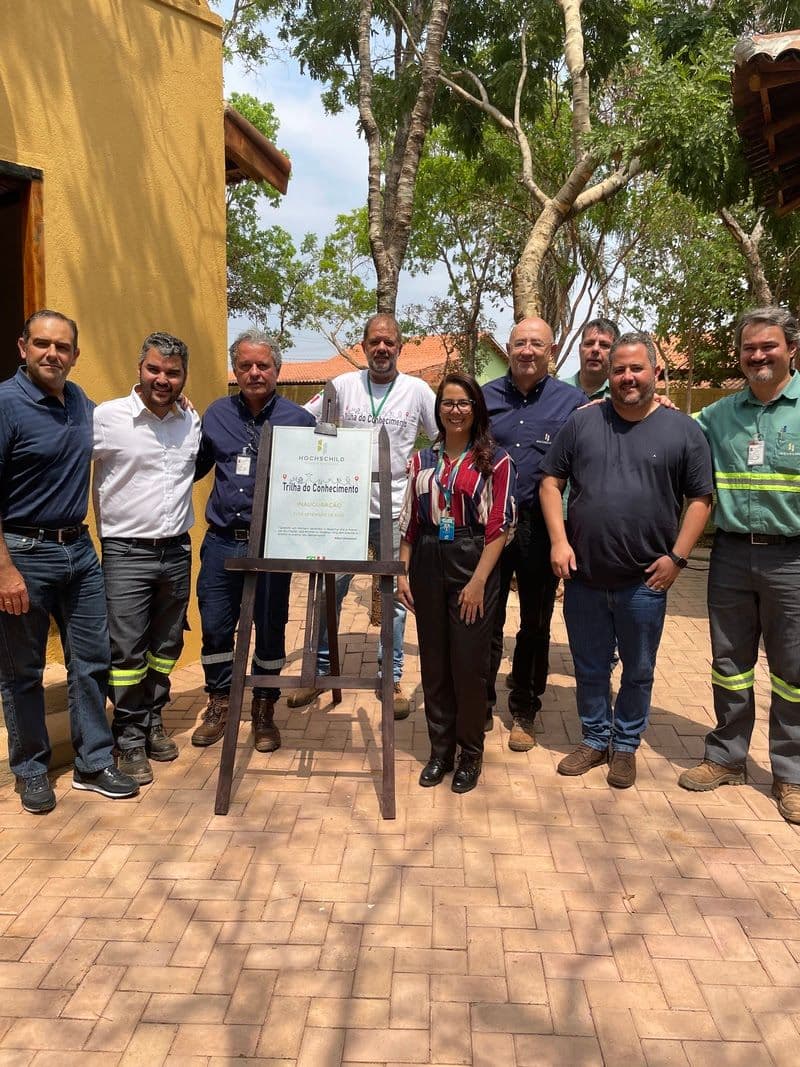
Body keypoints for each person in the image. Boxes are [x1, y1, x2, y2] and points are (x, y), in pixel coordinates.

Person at [540, 332, 713, 787]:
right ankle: (595, 740)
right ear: (608, 375)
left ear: (656, 372)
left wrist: (678, 557)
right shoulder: (582, 423)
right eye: (619, 370)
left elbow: (700, 499)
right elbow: (549, 483)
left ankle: (627, 745)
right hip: (585, 577)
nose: (628, 377)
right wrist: (559, 541)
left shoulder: (684, 430)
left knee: (638, 670)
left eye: (637, 368)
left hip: (645, 582)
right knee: (589, 664)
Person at [0, 310, 139, 813]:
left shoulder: (81, 402)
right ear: (23, 347)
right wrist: (4, 569)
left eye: (62, 347)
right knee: (23, 671)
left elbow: (123, 428)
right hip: (23, 555)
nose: (52, 354)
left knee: (91, 661)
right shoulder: (6, 405)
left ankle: (93, 762)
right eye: (42, 344)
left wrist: (170, 405)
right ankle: (32, 770)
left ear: (75, 356)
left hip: (78, 551)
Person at [678, 306, 800, 823]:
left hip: (792, 559)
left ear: (791, 348)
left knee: (793, 673)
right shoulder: (720, 414)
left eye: (768, 346)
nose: (758, 356)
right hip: (728, 554)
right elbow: (676, 436)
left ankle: (791, 774)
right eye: (749, 348)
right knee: (730, 664)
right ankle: (727, 756)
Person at [291, 313, 438, 718]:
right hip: (342, 510)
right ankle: (318, 674)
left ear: (400, 347)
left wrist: (427, 482)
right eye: (375, 341)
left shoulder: (418, 391)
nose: (382, 349)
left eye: (389, 342)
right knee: (329, 591)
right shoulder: (340, 387)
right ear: (363, 345)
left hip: (394, 512)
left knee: (393, 598)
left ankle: (390, 678)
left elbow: (444, 438)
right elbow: (303, 423)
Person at [191, 329, 315, 751]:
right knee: (216, 627)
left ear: (277, 370)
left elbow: (321, 482)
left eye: (263, 365)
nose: (254, 372)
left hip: (273, 546)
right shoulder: (215, 416)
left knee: (270, 628)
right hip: (223, 543)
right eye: (245, 365)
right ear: (236, 371)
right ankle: (221, 703)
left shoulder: (301, 422)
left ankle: (264, 709)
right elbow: (193, 468)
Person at [398, 372, 515, 793]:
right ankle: (440, 751)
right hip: (428, 558)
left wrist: (480, 580)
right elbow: (410, 520)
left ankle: (470, 753)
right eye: (447, 403)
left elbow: (500, 525)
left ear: (476, 408)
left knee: (468, 665)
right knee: (434, 662)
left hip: (472, 559)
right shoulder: (421, 460)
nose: (455, 410)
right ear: (438, 410)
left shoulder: (495, 460)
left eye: (463, 402)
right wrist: (403, 572)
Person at [92, 332, 201, 785]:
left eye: (172, 372)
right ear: (140, 367)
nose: (162, 379)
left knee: (166, 647)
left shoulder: (189, 421)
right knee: (127, 651)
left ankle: (154, 717)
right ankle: (130, 736)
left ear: (183, 377)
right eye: (154, 369)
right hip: (126, 551)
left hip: (176, 549)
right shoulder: (106, 418)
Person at [483, 317, 586, 748]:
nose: (527, 351)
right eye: (519, 343)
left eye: (536, 344)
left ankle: (525, 706)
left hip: (538, 526)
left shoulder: (574, 402)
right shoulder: (483, 397)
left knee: (535, 621)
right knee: (484, 616)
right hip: (487, 524)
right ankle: (480, 699)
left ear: (552, 349)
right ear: (509, 348)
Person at [560, 317, 620, 400]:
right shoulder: (558, 391)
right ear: (580, 349)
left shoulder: (621, 395)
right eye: (589, 343)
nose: (595, 349)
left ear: (615, 353)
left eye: (604, 345)